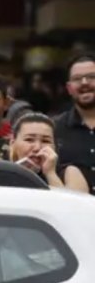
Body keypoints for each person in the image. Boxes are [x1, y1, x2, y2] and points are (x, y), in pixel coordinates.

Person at [9, 113, 89, 193]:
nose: (37, 147)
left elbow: (71, 205)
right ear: (13, 143)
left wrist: (50, 173)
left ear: (55, 146)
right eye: (29, 140)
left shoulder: (69, 173)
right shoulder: (1, 172)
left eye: (45, 141)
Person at [54, 55, 95, 190]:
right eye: (77, 79)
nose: (84, 82)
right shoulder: (54, 129)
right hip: (74, 210)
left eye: (91, 77)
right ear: (69, 88)